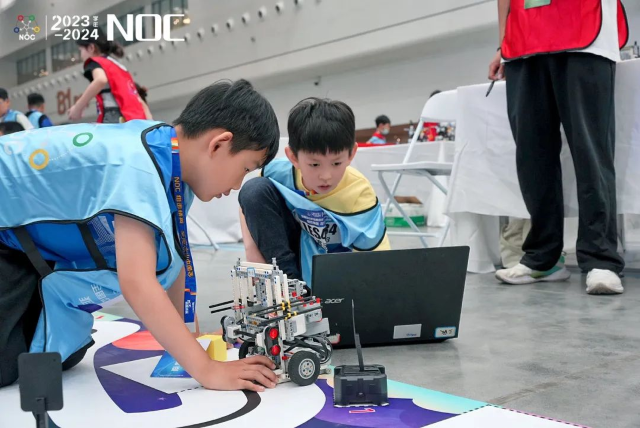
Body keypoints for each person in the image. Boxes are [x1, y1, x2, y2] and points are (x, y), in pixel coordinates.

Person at [0, 79, 280, 391]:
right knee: (6, 366)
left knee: (63, 354)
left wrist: (189, 341)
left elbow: (174, 257)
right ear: (219, 144)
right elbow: (137, 281)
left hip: (24, 245)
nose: (238, 185)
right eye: (245, 168)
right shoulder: (141, 166)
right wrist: (207, 370)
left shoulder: (169, 157)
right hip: (7, 234)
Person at [490, 0, 629, 294]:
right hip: (524, 39)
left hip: (584, 30)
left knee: (590, 151)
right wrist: (503, 42)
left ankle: (600, 258)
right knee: (532, 154)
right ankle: (544, 257)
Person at [239, 97, 390, 286]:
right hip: (291, 264)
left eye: (336, 163)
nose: (326, 176)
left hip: (335, 274)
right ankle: (290, 286)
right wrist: (252, 252)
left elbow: (376, 260)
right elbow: (247, 202)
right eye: (314, 164)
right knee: (254, 189)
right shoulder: (278, 173)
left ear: (351, 154)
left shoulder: (359, 194)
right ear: (293, 157)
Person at [68, 28, 148, 123]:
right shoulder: (118, 65)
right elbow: (138, 99)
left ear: (91, 48)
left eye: (80, 50)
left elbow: (101, 80)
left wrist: (78, 108)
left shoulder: (95, 62)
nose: (81, 55)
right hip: (134, 117)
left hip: (114, 115)